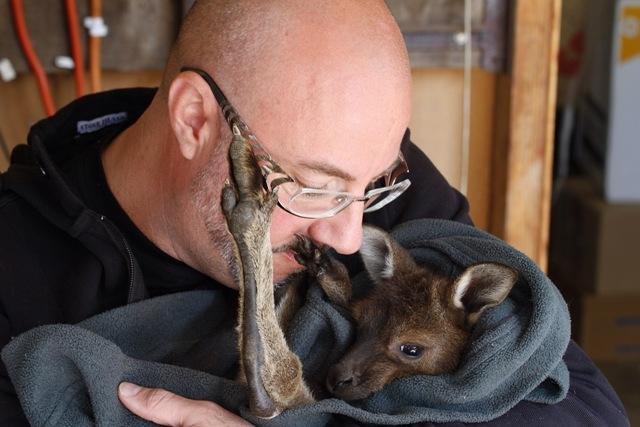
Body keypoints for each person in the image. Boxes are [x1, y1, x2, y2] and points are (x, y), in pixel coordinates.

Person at [0, 1, 628, 426]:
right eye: (315, 188)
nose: (350, 235)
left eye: (373, 187)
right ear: (193, 121)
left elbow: (580, 404)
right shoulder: (17, 260)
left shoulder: (364, 171)